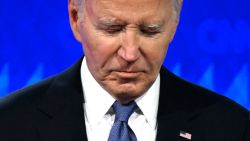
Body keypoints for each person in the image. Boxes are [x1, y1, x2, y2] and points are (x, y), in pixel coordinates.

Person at [0, 0, 249, 140]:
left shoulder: (233, 128)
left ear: (174, 25)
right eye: (112, 29)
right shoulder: (9, 123)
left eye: (150, 31)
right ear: (76, 19)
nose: (130, 53)